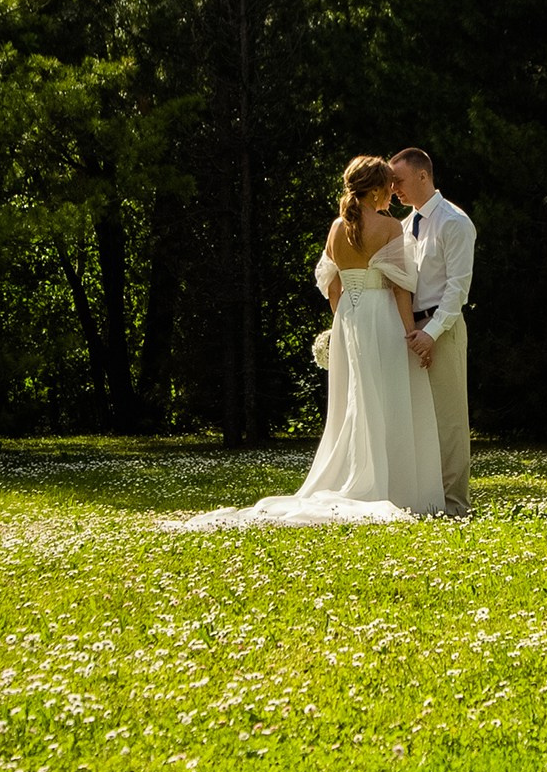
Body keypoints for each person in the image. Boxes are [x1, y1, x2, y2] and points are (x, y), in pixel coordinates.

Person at [161, 157, 445, 530]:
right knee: (386, 396)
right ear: (375, 189)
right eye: (387, 187)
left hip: (349, 319)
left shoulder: (335, 228)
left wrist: (344, 317)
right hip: (380, 318)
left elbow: (331, 284)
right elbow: (400, 287)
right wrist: (410, 333)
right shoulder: (390, 227)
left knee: (353, 401)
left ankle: (360, 471)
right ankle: (388, 482)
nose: (392, 193)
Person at [389, 147, 477, 519]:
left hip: (444, 327)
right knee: (418, 418)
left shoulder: (453, 222)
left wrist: (432, 333)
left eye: (399, 181)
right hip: (412, 329)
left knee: (449, 420)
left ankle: (456, 505)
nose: (394, 190)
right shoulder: (406, 226)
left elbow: (458, 289)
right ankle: (426, 499)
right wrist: (411, 331)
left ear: (423, 176)